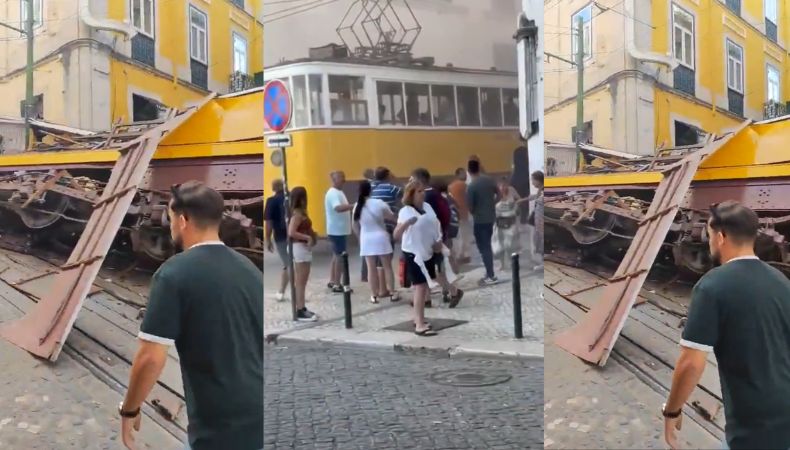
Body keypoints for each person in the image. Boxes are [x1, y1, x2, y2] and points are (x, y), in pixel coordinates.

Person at [120, 182, 263, 450]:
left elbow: (150, 357)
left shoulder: (173, 274)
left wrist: (129, 410)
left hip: (222, 427)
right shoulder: (250, 270)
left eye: (171, 218)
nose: (171, 226)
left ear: (183, 220)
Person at [663, 201, 790, 450]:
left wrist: (672, 411)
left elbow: (691, 363)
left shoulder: (712, 286)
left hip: (757, 426)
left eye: (710, 236)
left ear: (720, 237)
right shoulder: (781, 281)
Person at [395, 182, 464, 337]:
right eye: (419, 191)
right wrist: (407, 223)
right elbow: (396, 235)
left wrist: (438, 241)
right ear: (411, 194)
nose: (423, 194)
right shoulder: (406, 211)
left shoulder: (427, 207)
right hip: (414, 253)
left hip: (429, 251)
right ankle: (419, 324)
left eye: (423, 191)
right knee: (420, 287)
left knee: (424, 285)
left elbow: (435, 225)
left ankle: (418, 319)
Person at [354, 180, 398, 303]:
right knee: (387, 266)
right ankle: (392, 292)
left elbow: (355, 225)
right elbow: (391, 217)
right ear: (370, 190)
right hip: (381, 237)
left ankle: (374, 295)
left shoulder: (357, 206)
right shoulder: (379, 203)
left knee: (371, 268)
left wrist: (359, 238)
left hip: (366, 238)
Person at [288, 187, 319, 322]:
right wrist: (307, 237)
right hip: (299, 247)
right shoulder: (297, 214)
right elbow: (291, 232)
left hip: (302, 247)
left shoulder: (299, 212)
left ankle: (302, 307)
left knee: (302, 280)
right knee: (301, 280)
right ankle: (300, 309)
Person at [466, 159, 499, 285]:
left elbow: (470, 207)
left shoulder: (471, 186)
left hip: (479, 220)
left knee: (484, 248)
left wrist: (475, 211)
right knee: (487, 246)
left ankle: (490, 275)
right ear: (479, 168)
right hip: (490, 218)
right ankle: (489, 272)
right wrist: (492, 204)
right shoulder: (489, 180)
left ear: (469, 171)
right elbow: (499, 194)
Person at [325, 171, 353, 293]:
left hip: (339, 230)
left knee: (336, 256)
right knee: (340, 257)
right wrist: (353, 206)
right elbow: (337, 208)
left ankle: (333, 280)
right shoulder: (333, 193)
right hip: (337, 230)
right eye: (341, 178)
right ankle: (337, 284)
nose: (344, 180)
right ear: (334, 180)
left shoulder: (339, 192)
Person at [263, 178, 290, 302]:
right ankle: (285, 291)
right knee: (291, 264)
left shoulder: (271, 201)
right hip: (295, 235)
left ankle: (283, 291)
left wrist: (268, 239)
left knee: (288, 264)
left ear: (273, 188)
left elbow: (269, 222)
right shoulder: (291, 198)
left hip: (280, 236)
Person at [494, 177, 521, 271]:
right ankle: (502, 264)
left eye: (504, 185)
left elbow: (519, 200)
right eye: (500, 185)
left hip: (511, 222)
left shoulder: (511, 190)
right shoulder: (495, 194)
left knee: (511, 245)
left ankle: (512, 262)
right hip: (499, 223)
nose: (502, 187)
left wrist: (515, 206)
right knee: (500, 245)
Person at [448, 167, 471, 264]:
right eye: (463, 174)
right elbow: (469, 198)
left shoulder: (450, 186)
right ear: (458, 175)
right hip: (463, 214)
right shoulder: (465, 186)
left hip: (454, 215)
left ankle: (458, 256)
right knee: (464, 236)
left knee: (457, 236)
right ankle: (464, 256)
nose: (465, 175)